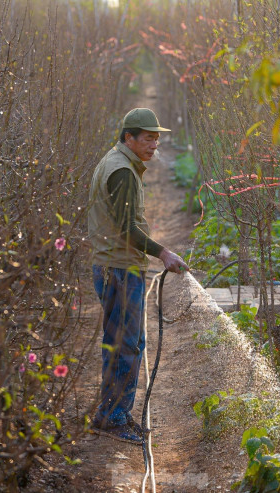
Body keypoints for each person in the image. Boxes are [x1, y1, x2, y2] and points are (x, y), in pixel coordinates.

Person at [87, 108, 189, 445]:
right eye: (148, 137)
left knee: (120, 343)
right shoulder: (123, 172)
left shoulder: (118, 162)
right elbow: (127, 228)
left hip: (113, 265)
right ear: (129, 137)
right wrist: (163, 252)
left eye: (157, 137)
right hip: (119, 268)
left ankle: (110, 413)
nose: (154, 143)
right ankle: (113, 419)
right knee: (127, 345)